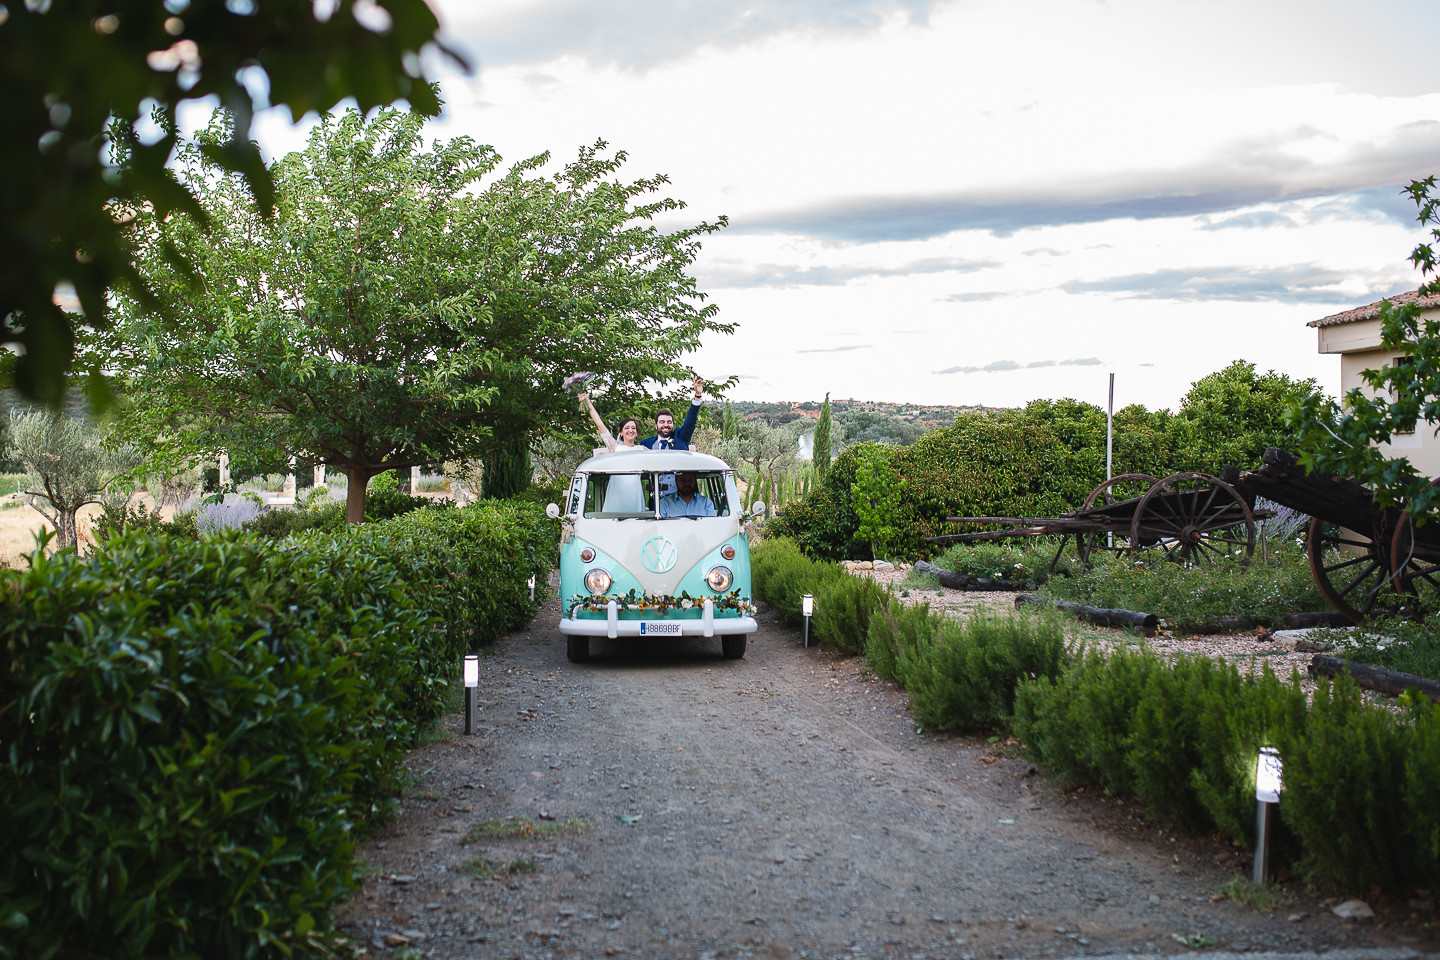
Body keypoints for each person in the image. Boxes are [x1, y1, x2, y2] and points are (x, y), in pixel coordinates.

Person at [578, 392, 646, 511]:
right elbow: (599, 424)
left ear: (637, 432)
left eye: (633, 428)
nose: (630, 430)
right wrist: (587, 401)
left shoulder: (642, 450)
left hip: (634, 496)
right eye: (627, 428)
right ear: (621, 432)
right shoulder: (615, 448)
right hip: (617, 495)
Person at [641, 377, 705, 450]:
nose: (666, 425)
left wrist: (697, 395)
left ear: (673, 424)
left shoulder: (681, 438)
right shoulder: (645, 443)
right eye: (662, 422)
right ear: (656, 425)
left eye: (669, 422)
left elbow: (690, 422)